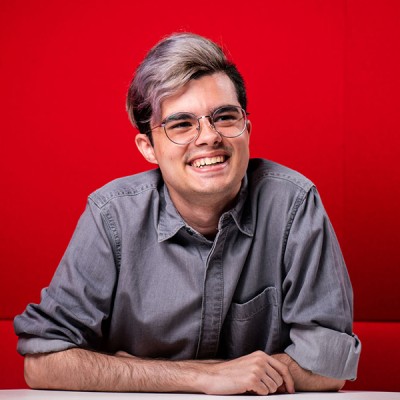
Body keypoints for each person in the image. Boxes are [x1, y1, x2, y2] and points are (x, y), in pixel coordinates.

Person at [14, 32, 361, 396]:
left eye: (224, 117)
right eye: (182, 124)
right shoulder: (111, 216)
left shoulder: (294, 204)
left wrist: (132, 370)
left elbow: (329, 363)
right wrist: (200, 376)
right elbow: (42, 361)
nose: (209, 137)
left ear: (247, 128)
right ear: (148, 147)